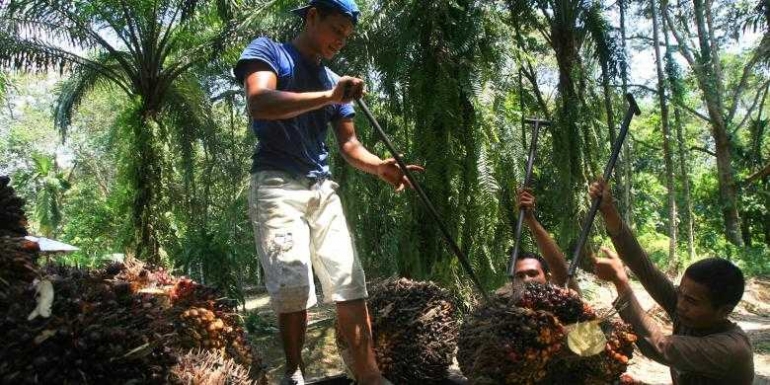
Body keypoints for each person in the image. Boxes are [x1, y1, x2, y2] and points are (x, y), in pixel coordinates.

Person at [234, 1, 421, 383]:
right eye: (337, 29)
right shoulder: (270, 52)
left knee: (349, 278)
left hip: (321, 186)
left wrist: (380, 166)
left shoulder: (334, 82)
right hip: (275, 182)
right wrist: (330, 96)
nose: (341, 40)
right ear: (312, 16)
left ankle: (368, 374)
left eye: (347, 36)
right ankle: (294, 372)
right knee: (293, 285)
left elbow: (350, 147)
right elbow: (260, 103)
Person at [590, 178, 754, 384]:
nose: (681, 305)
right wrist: (609, 211)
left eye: (692, 301)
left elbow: (659, 346)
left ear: (724, 311)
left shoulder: (730, 349)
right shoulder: (689, 310)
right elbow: (645, 269)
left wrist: (620, 281)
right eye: (681, 294)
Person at [505, 188, 581, 293]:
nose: (526, 280)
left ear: (548, 278)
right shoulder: (503, 306)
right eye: (519, 276)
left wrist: (530, 219)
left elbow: (560, 268)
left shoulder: (562, 301)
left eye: (532, 273)